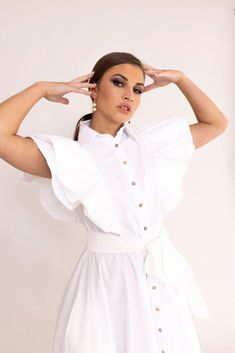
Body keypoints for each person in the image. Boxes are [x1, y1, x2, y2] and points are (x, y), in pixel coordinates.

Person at [0, 52, 229, 353]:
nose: (129, 95)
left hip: (159, 276)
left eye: (137, 89)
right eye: (118, 83)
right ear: (93, 89)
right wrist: (41, 88)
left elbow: (216, 123)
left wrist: (180, 79)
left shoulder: (154, 145)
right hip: (107, 285)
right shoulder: (71, 157)